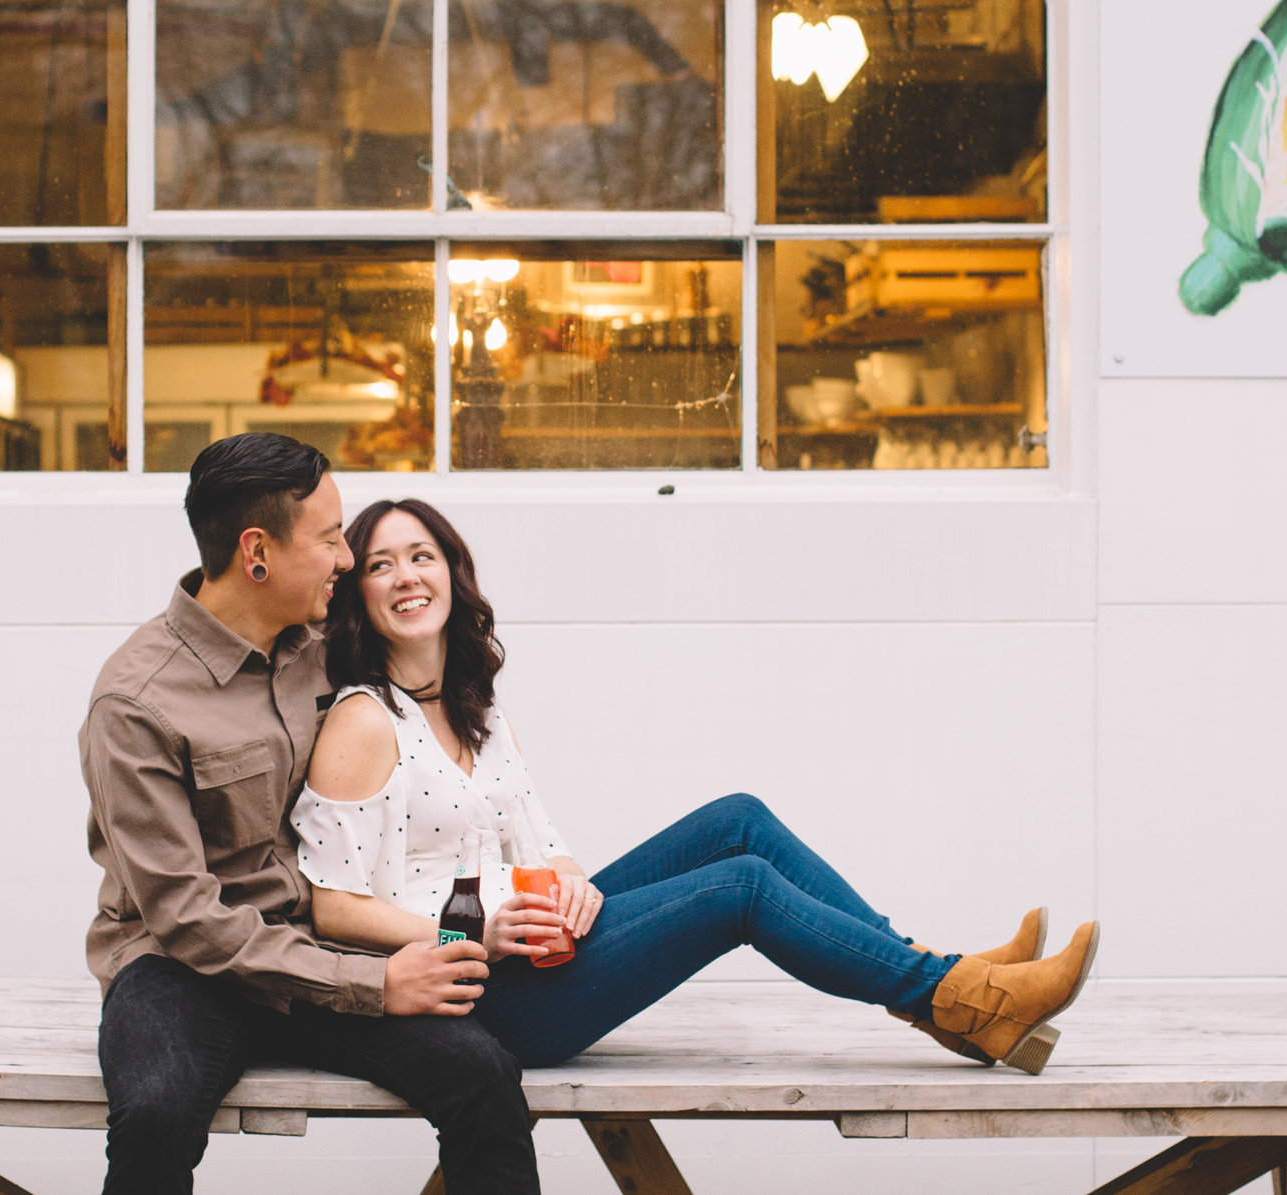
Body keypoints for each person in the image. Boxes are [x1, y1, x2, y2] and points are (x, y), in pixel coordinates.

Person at [292, 497, 1099, 1074]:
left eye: (421, 556)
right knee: (740, 888)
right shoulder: (366, 721)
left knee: (737, 819)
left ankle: (941, 979)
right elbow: (329, 904)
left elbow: (548, 851)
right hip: (481, 997)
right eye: (381, 564)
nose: (405, 576)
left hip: (540, 946)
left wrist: (572, 891)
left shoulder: (477, 711)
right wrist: (464, 936)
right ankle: (958, 995)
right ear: (358, 590)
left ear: (452, 573)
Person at [80, 436, 539, 1195]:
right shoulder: (136, 701)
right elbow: (188, 917)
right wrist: (376, 985)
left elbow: (434, 695)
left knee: (485, 1074)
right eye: (331, 537)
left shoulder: (327, 646)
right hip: (178, 966)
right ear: (256, 551)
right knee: (154, 1115)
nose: (346, 559)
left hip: (314, 943)